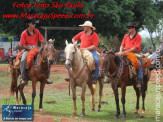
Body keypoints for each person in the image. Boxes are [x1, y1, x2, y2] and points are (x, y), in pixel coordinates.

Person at [19, 18, 53, 85]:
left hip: (36, 49)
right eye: (33, 23)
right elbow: (22, 45)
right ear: (28, 24)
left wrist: (47, 43)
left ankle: (46, 77)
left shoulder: (36, 31)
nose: (34, 25)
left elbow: (41, 40)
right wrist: (29, 48)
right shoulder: (24, 33)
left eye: (35, 23)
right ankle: (23, 78)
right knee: (23, 60)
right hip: (27, 49)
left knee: (46, 58)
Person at [118, 22, 143, 88]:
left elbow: (135, 48)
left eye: (130, 28)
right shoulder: (126, 36)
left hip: (134, 53)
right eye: (128, 28)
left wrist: (125, 51)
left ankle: (139, 80)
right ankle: (113, 77)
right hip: (124, 52)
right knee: (115, 60)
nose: (128, 29)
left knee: (139, 64)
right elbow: (122, 45)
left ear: (134, 28)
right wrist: (120, 51)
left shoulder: (138, 36)